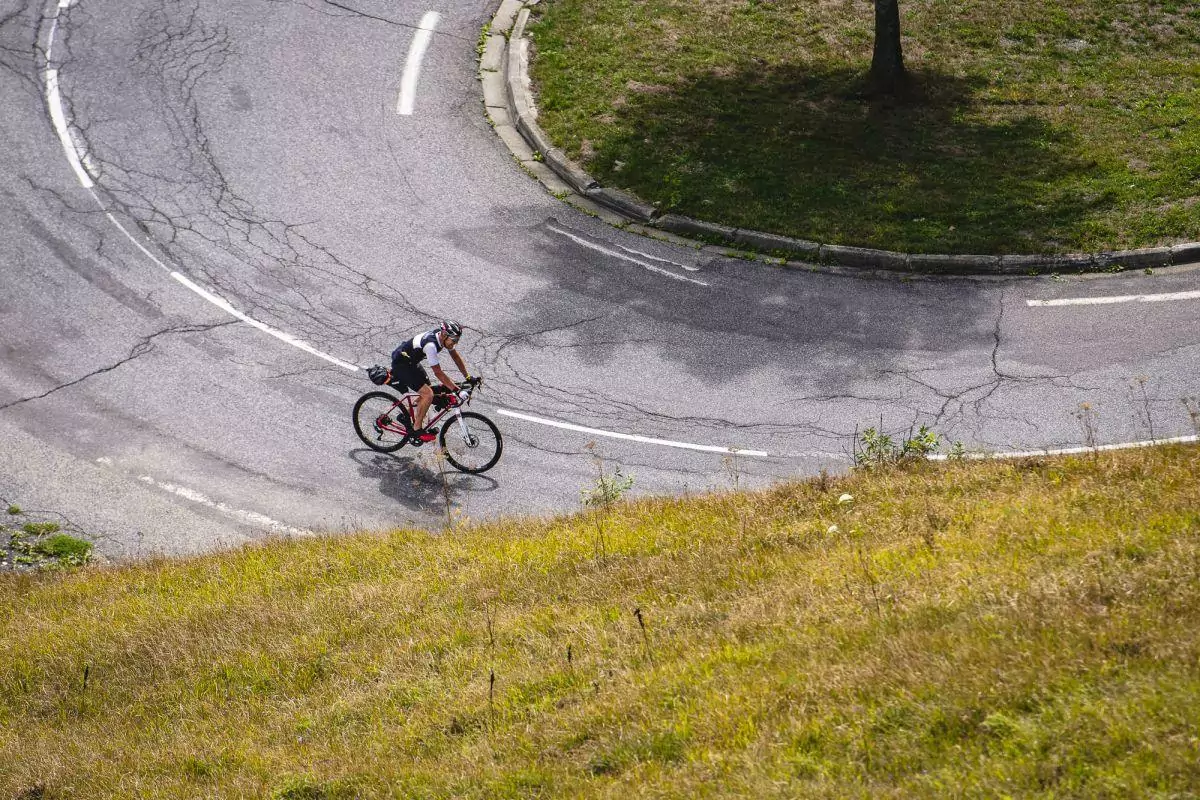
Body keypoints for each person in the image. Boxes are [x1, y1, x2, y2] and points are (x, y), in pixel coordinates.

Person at [389, 320, 473, 443]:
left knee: (430, 390)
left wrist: (468, 377)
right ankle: (416, 429)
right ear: (444, 334)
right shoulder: (431, 346)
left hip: (411, 362)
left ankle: (405, 415)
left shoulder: (443, 338)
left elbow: (455, 357)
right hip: (401, 365)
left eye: (457, 340)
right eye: (454, 340)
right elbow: (438, 373)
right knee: (428, 394)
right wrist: (457, 390)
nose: (455, 343)